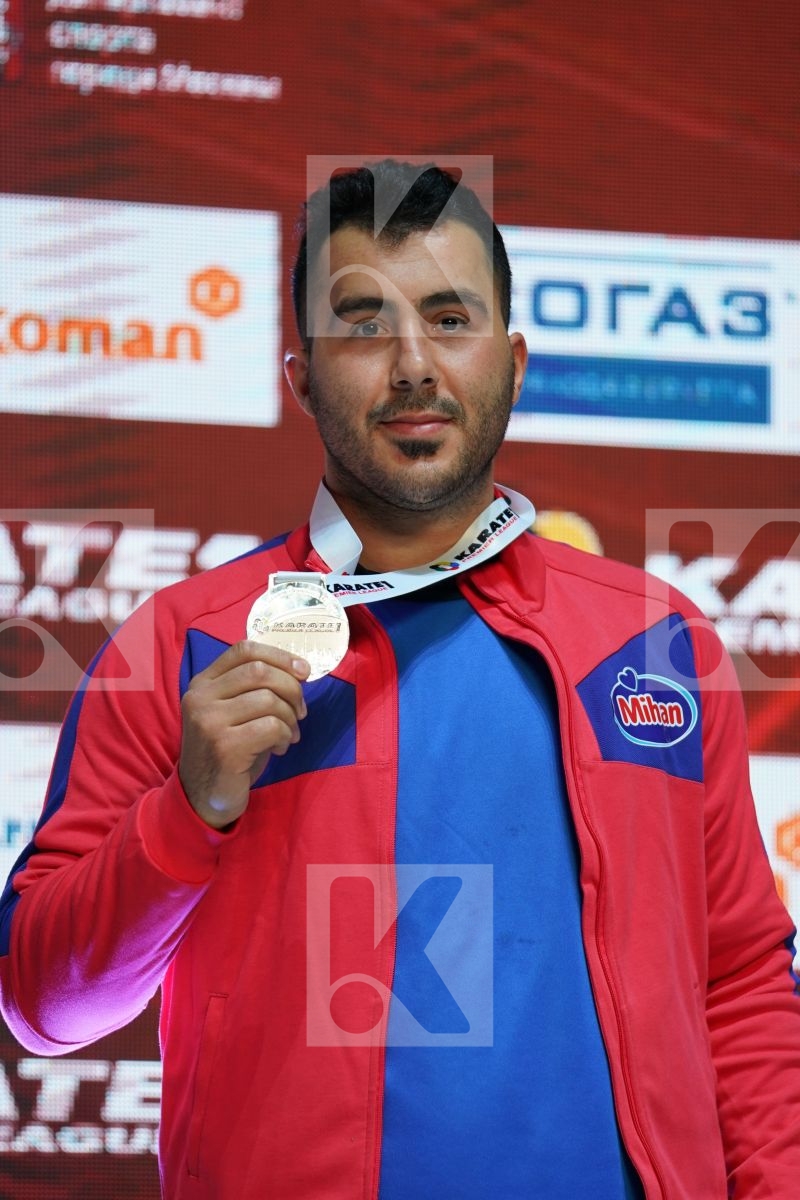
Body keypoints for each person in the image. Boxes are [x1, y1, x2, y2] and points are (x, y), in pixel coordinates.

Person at [1, 160, 798, 1200]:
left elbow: (737, 982)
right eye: (364, 323)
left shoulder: (652, 640)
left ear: (511, 361)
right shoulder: (180, 643)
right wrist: (185, 812)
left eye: (449, 317)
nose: (412, 364)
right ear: (297, 375)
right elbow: (43, 1007)